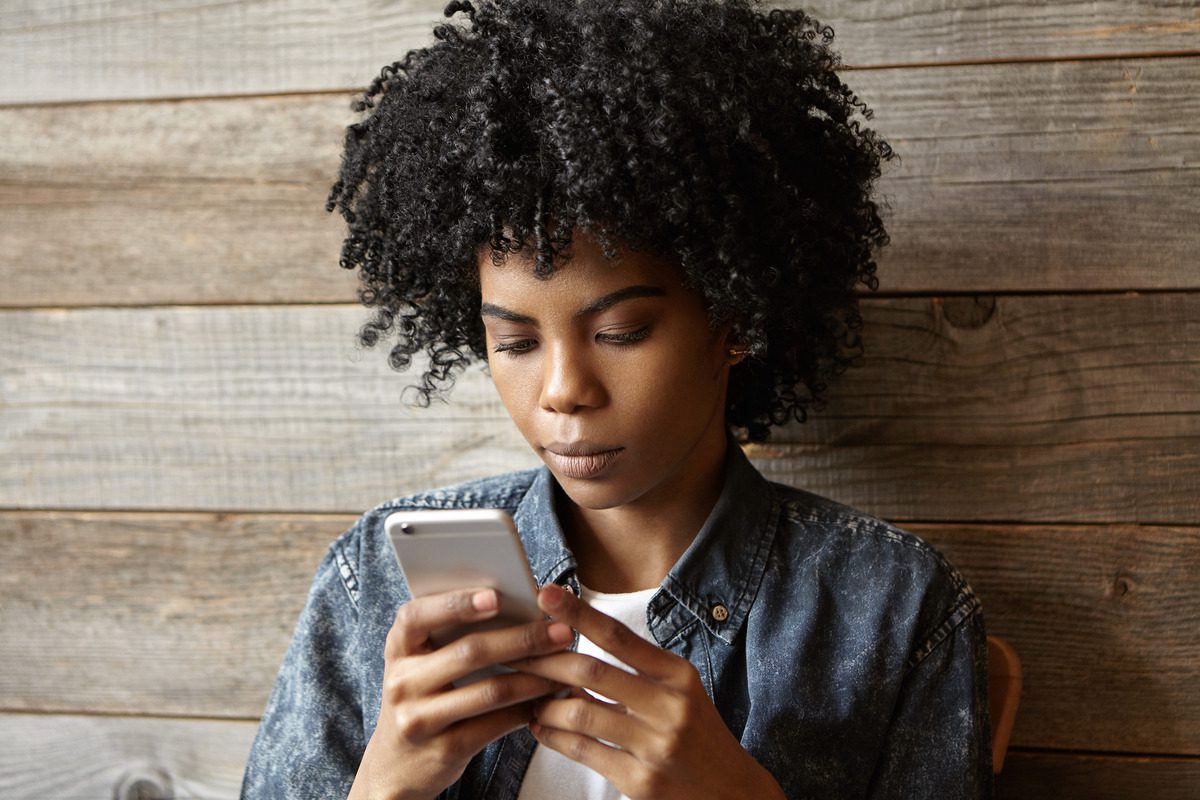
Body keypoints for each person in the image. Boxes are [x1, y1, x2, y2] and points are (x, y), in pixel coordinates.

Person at [241, 0, 993, 797]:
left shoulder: (892, 610)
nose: (563, 392)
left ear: (732, 321)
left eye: (623, 331)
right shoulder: (376, 582)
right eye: (517, 343)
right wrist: (388, 781)